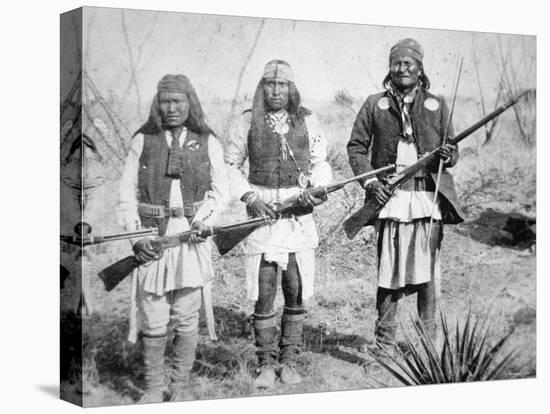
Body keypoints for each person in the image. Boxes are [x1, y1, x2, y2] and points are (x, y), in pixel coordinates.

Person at [346, 39, 465, 351]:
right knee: (388, 275)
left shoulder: (437, 105)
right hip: (389, 200)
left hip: (427, 199)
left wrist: (448, 153)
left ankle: (427, 346)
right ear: (390, 67)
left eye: (409, 63)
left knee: (428, 276)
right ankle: (384, 345)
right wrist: (372, 183)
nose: (403, 68)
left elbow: (452, 152)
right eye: (397, 62)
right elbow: (356, 147)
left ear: (420, 67)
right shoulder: (374, 104)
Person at [117, 74, 228, 402]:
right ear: (157, 103)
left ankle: (178, 388)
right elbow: (125, 193)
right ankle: (152, 390)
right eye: (165, 101)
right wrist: (137, 238)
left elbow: (221, 192)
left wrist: (203, 221)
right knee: (153, 315)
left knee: (185, 314)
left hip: (191, 240)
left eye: (178, 101)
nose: (171, 108)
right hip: (153, 238)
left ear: (190, 103)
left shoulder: (208, 140)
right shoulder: (143, 139)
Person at [225, 60, 332, 388]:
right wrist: (250, 198)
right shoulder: (247, 121)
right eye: (270, 84)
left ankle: (289, 361)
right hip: (262, 220)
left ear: (291, 88)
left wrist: (316, 190)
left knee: (295, 288)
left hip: (296, 219)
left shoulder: (307, 120)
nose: (276, 90)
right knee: (265, 289)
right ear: (261, 87)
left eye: (282, 84)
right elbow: (229, 166)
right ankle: (266, 364)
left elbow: (321, 163)